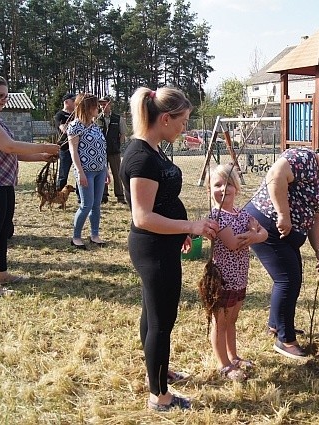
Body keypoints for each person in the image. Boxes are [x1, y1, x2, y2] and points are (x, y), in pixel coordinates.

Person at [120, 86, 219, 412]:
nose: (185, 128)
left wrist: (179, 231)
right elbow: (144, 216)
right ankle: (159, 396)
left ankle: (157, 372)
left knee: (153, 313)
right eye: (183, 121)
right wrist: (189, 226)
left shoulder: (153, 149)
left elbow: (161, 203)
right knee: (162, 320)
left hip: (163, 244)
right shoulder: (141, 157)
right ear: (165, 118)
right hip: (152, 248)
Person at [246, 135, 319, 360]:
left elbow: (316, 217)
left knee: (292, 278)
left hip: (286, 235)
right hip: (266, 226)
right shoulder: (302, 158)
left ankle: (277, 325)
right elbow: (275, 176)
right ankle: (285, 340)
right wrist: (283, 214)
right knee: (287, 280)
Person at [0, 75, 59, 295]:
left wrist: (42, 156)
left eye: (6, 96)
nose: (4, 100)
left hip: (3, 184)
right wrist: (44, 146)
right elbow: (9, 147)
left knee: (2, 230)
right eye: (0, 95)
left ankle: (1, 272)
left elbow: (12, 154)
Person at [208, 164, 267, 381]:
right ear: (209, 190)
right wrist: (253, 234)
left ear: (237, 188)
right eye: (218, 184)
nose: (224, 189)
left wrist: (255, 235)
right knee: (220, 322)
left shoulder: (241, 213)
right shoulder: (217, 217)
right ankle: (223, 364)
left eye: (229, 184)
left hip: (239, 277)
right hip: (222, 279)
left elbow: (265, 232)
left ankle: (233, 356)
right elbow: (233, 243)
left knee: (232, 320)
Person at [68, 94, 109, 249]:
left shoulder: (95, 125)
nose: (97, 108)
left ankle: (95, 234)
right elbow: (74, 152)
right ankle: (76, 237)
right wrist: (80, 172)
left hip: (99, 171)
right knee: (86, 205)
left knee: (96, 205)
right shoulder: (75, 126)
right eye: (94, 106)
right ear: (86, 107)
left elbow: (101, 149)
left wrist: (105, 170)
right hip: (85, 171)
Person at [97, 95, 127, 204]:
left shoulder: (118, 118)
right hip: (101, 152)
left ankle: (120, 196)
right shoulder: (96, 119)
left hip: (114, 151)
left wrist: (118, 144)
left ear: (110, 104)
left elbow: (123, 133)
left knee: (117, 174)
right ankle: (103, 196)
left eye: (104, 104)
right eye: (101, 104)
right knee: (102, 174)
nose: (102, 106)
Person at [55, 93, 76, 191]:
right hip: (65, 148)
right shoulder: (60, 115)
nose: (76, 102)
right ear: (67, 102)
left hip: (77, 147)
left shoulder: (77, 114)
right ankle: (59, 195)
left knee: (79, 173)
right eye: (73, 100)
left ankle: (80, 197)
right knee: (63, 174)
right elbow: (63, 129)